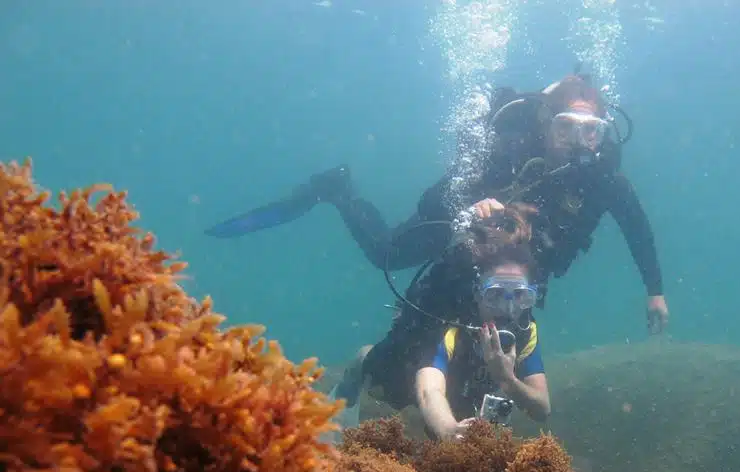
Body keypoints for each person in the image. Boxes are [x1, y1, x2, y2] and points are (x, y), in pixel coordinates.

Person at [204, 71, 669, 334]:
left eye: (591, 131)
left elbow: (637, 228)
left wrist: (655, 291)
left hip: (516, 274)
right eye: (566, 127)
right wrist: (475, 202)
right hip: (461, 233)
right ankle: (337, 191)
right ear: (546, 122)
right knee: (385, 255)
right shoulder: (507, 149)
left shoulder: (606, 180)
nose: (578, 142)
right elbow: (435, 198)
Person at [332, 203, 550, 441]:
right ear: (477, 293)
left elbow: (541, 408)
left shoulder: (524, 330)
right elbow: (429, 390)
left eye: (520, 296)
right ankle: (362, 359)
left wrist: (508, 380)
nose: (508, 309)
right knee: (386, 390)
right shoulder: (451, 324)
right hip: (409, 370)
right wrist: (448, 430)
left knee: (464, 413)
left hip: (461, 386)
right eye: (495, 294)